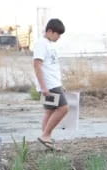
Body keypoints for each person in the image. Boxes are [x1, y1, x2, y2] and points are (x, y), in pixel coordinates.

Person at [33, 18, 68, 151]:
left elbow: (51, 66)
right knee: (63, 108)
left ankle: (46, 140)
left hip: (53, 83)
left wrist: (60, 84)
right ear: (49, 31)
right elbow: (37, 65)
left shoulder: (49, 44)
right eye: (57, 34)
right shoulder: (41, 44)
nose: (59, 37)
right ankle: (46, 135)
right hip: (48, 84)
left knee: (50, 111)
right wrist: (43, 87)